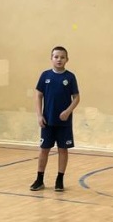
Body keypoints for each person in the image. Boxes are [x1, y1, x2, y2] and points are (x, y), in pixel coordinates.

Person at [30, 46, 79, 192]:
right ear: (51, 58)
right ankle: (39, 179)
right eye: (56, 57)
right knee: (44, 149)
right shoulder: (45, 76)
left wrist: (68, 111)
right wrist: (39, 115)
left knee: (63, 150)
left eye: (62, 57)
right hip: (48, 121)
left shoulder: (70, 77)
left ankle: (59, 179)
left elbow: (76, 98)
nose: (59, 59)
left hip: (64, 123)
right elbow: (38, 95)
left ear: (67, 59)